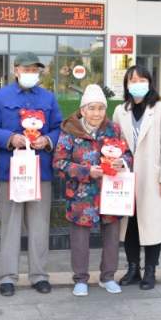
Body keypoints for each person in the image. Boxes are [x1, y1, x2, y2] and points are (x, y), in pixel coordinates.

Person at [0, 52, 62, 297]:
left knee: (40, 225)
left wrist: (47, 140)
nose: (30, 74)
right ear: (15, 70)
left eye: (34, 70)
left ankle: (39, 275)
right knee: (10, 224)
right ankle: (8, 277)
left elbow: (59, 128)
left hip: (40, 170)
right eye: (26, 69)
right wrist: (10, 138)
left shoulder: (48, 98)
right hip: (11, 171)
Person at [53, 84, 132, 296]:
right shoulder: (70, 130)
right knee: (80, 239)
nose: (97, 113)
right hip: (80, 195)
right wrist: (87, 171)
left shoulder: (113, 129)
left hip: (110, 193)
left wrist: (122, 163)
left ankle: (108, 277)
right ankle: (80, 279)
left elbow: (127, 155)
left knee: (112, 237)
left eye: (101, 108)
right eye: (92, 108)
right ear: (83, 110)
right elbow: (59, 163)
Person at [113, 65, 161, 290]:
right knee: (129, 225)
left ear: (149, 83)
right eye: (133, 80)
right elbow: (114, 143)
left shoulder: (160, 109)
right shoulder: (120, 110)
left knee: (151, 225)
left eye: (142, 80)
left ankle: (150, 271)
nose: (137, 84)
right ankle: (133, 269)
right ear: (127, 85)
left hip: (152, 176)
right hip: (127, 177)